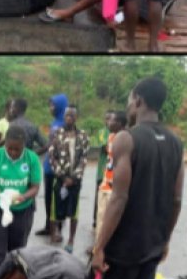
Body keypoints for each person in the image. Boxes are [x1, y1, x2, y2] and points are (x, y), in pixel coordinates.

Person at [92, 77, 184, 279]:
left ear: (139, 101)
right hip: (152, 243)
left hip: (124, 245)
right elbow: (177, 200)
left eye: (130, 99)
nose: (128, 105)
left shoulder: (126, 138)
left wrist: (99, 247)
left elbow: (118, 198)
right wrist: (165, 240)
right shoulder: (176, 143)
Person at [0, 125, 41, 278]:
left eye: (17, 149)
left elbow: (35, 187)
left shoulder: (32, 158)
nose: (13, 153)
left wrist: (24, 197)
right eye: (10, 148)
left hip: (23, 210)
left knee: (17, 252)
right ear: (5, 143)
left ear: (24, 146)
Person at [47, 106, 89, 253]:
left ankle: (71, 239)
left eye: (71, 115)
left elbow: (84, 157)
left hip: (75, 181)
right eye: (66, 115)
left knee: (74, 212)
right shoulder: (56, 133)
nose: (69, 118)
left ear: (76, 117)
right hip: (60, 178)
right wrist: (62, 176)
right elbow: (52, 156)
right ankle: (54, 235)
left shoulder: (83, 135)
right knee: (55, 209)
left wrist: (74, 177)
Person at [34, 94, 67, 238]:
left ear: (60, 106)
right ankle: (48, 226)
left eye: (53, 105)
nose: (50, 108)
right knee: (48, 198)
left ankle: (57, 228)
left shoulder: (65, 123)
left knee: (57, 199)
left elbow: (56, 145)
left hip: (58, 168)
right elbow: (50, 144)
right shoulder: (55, 122)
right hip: (48, 166)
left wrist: (38, 151)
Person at [95, 110, 127, 239]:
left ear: (119, 123)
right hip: (105, 183)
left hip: (113, 186)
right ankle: (97, 246)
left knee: (110, 220)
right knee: (100, 217)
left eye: (112, 120)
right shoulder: (110, 137)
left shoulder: (126, 139)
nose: (108, 122)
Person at [92, 111, 114, 232]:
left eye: (111, 119)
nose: (109, 121)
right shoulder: (102, 133)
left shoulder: (118, 133)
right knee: (98, 199)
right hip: (102, 172)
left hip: (113, 174)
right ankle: (95, 222)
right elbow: (107, 147)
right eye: (107, 119)